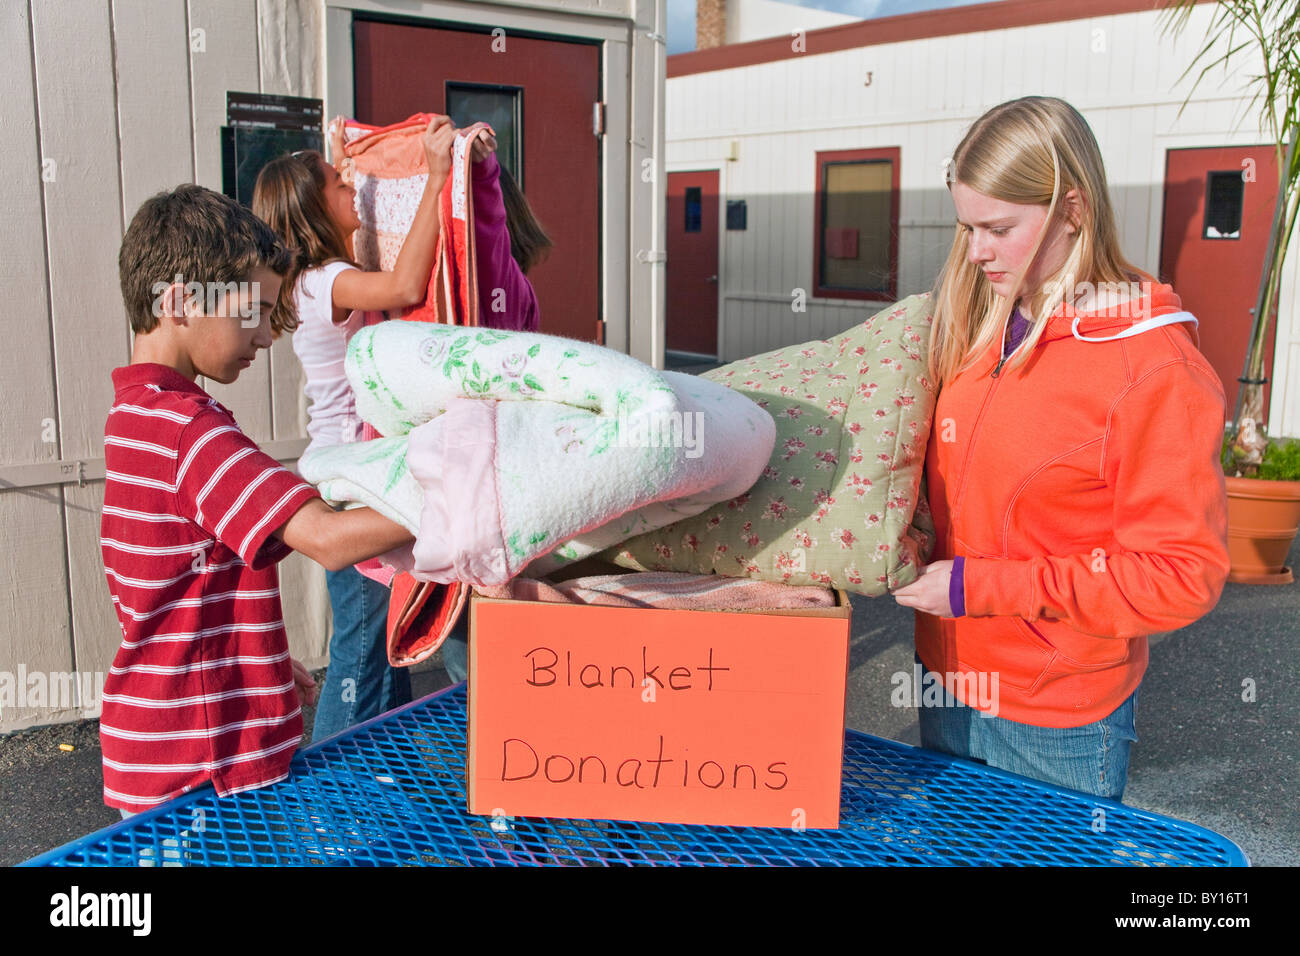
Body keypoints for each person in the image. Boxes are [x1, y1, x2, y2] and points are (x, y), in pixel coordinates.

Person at [891, 96, 1230, 801]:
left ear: (1073, 209)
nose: (976, 250)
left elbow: (1180, 574)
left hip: (1056, 716)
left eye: (998, 228)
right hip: (943, 673)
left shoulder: (1155, 369)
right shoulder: (978, 318)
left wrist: (977, 588)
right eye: (966, 227)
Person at [102, 184, 415, 815]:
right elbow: (328, 540)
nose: (268, 337)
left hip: (158, 746)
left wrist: (255, 656)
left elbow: (168, 576)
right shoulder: (191, 429)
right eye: (253, 311)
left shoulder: (132, 415)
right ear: (185, 301)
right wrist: (468, 503)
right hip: (211, 768)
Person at [252, 118, 545, 719]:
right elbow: (409, 282)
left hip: (347, 474)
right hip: (352, 484)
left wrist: (349, 156)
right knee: (362, 655)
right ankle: (333, 803)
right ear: (313, 211)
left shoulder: (314, 281)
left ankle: (376, 785)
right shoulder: (325, 280)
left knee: (375, 651)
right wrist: (440, 174)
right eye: (340, 184)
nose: (353, 190)